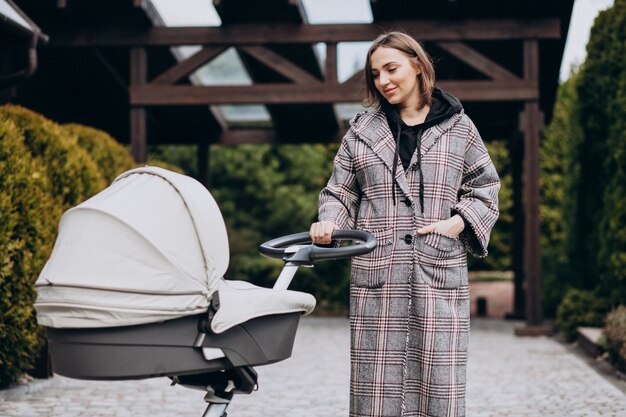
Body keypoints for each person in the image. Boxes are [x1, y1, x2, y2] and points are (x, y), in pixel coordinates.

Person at [310, 32, 500, 417]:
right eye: (376, 73)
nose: (383, 81)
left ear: (417, 65)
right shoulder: (360, 133)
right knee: (375, 391)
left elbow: (485, 186)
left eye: (391, 69)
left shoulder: (460, 128)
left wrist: (458, 222)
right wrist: (328, 221)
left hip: (438, 270)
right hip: (379, 271)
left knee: (439, 386)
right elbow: (339, 193)